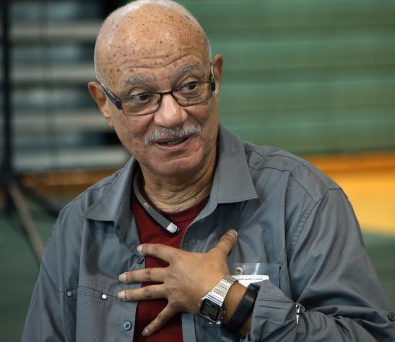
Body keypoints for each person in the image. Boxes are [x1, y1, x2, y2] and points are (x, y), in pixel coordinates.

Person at [22, 0, 395, 341]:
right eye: (141, 97)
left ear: (216, 78)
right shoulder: (78, 227)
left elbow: (368, 335)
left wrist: (228, 299)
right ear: (104, 103)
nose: (172, 115)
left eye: (189, 86)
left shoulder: (304, 202)